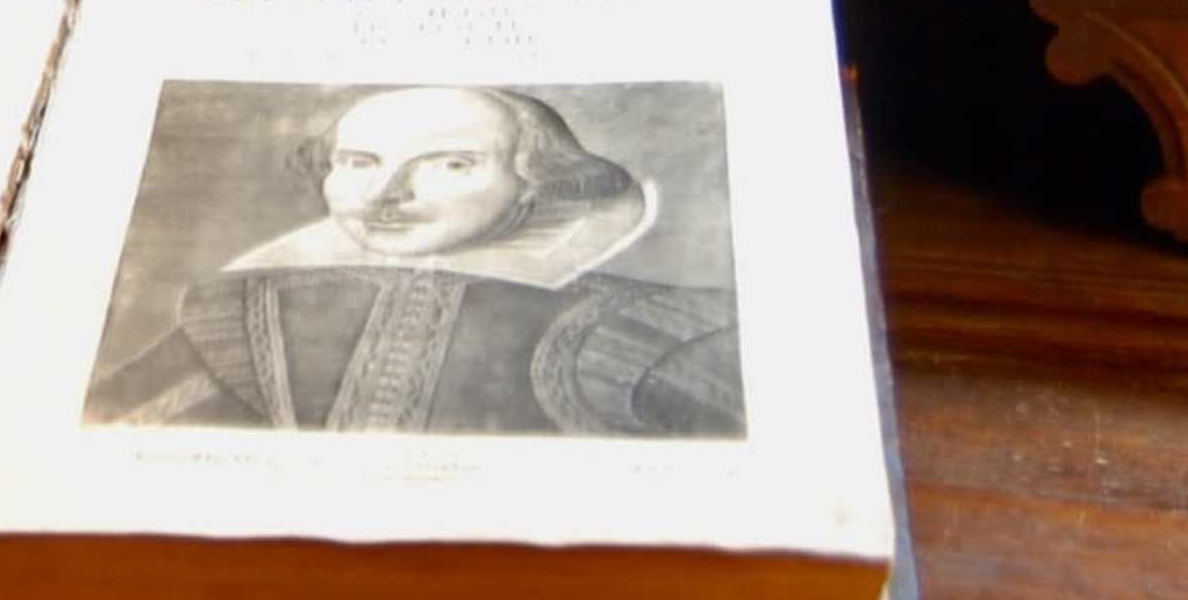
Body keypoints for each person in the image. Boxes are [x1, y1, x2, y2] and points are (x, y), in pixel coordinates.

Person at [84, 85, 743, 436]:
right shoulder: (241, 305)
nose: (386, 194)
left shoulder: (656, 330)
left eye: (451, 164)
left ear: (537, 179)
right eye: (358, 163)